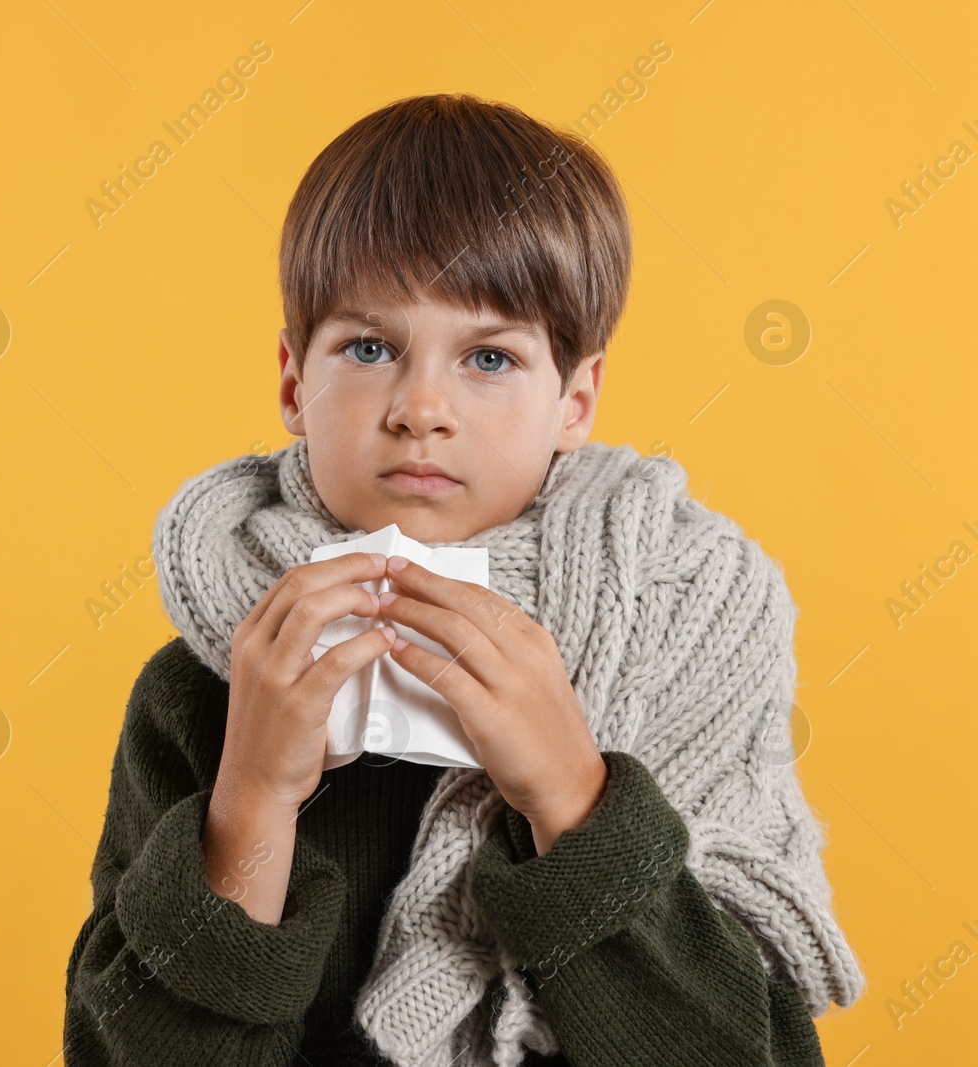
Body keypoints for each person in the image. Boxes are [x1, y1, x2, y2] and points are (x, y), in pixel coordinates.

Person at [61, 92, 863, 1066]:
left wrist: (574, 794)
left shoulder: (685, 644)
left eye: (488, 355)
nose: (420, 407)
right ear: (290, 382)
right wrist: (252, 805)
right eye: (367, 347)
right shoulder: (211, 682)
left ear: (574, 401)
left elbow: (760, 1050)